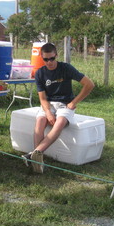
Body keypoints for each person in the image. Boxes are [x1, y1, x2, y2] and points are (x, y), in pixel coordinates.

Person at [23, 42, 95, 173]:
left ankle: (35, 154)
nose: (49, 62)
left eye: (52, 58)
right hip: (49, 104)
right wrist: (48, 113)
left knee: (60, 121)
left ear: (56, 55)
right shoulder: (39, 73)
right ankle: (37, 160)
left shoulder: (66, 68)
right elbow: (43, 99)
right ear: (41, 57)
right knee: (40, 121)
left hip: (65, 104)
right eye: (46, 59)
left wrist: (74, 102)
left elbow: (89, 84)